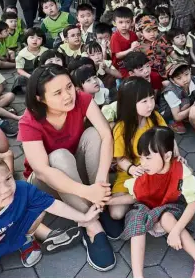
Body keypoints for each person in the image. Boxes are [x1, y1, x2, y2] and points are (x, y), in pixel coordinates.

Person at [18, 65, 116, 272]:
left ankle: (100, 203)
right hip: (45, 183)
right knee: (59, 156)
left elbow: (107, 134)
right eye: (57, 92)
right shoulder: (30, 120)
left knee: (95, 135)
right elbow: (43, 170)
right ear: (40, 98)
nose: (68, 95)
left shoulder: (81, 99)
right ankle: (91, 225)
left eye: (69, 87)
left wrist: (99, 181)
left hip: (76, 169)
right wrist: (86, 191)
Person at [0, 156, 100, 275]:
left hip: (17, 234)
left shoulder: (22, 189)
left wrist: (83, 217)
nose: (6, 189)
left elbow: (52, 204)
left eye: (8, 178)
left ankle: (26, 242)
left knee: (40, 207)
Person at [108, 127, 195, 279]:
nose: (143, 163)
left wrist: (176, 231)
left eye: (148, 158)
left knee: (166, 218)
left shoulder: (180, 171)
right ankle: (138, 276)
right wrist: (110, 201)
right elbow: (135, 196)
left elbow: (192, 205)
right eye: (141, 157)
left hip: (171, 208)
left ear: (167, 156)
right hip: (149, 209)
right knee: (136, 216)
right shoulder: (144, 171)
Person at [109, 78, 167, 220]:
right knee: (116, 214)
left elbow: (169, 139)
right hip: (131, 171)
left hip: (155, 167)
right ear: (130, 104)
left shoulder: (155, 118)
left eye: (152, 99)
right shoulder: (121, 128)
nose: (150, 105)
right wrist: (132, 169)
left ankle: (138, 199)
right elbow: (120, 158)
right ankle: (143, 198)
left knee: (184, 174)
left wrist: (178, 154)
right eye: (144, 101)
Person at [159, 62, 195, 135]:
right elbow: (177, 117)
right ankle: (172, 122)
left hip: (183, 100)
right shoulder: (170, 93)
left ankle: (186, 113)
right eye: (179, 78)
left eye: (186, 74)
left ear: (190, 71)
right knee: (186, 103)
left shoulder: (192, 79)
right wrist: (193, 106)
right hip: (168, 112)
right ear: (173, 80)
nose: (185, 79)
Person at [14, 27, 47, 93]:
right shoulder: (22, 54)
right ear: (26, 39)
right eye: (32, 37)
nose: (35, 40)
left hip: (42, 74)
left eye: (39, 38)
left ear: (43, 40)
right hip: (28, 75)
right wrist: (29, 76)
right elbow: (19, 69)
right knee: (20, 79)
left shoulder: (46, 51)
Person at [110, 7, 139, 78]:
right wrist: (131, 50)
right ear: (114, 23)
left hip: (132, 62)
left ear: (132, 22)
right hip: (120, 65)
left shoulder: (133, 34)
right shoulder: (115, 37)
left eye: (127, 22)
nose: (124, 25)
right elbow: (118, 55)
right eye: (120, 22)